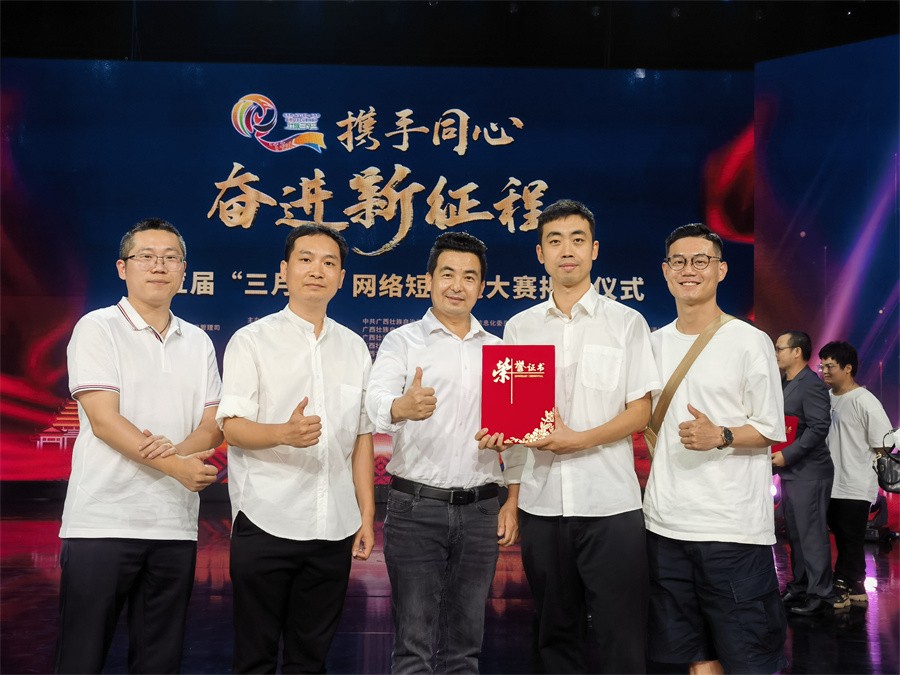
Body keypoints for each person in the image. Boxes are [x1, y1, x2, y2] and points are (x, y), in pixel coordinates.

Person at [483, 199, 660, 673]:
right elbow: (516, 424)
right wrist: (507, 473)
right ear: (540, 253)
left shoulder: (626, 323)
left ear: (594, 250)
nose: (567, 250)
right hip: (543, 505)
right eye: (555, 241)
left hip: (611, 504)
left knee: (622, 636)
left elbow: (640, 411)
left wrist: (576, 440)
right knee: (554, 636)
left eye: (578, 240)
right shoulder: (520, 328)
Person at [56, 218, 222, 673]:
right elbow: (105, 421)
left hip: (174, 526)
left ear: (184, 270)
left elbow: (212, 425)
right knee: (81, 658)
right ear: (122, 267)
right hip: (102, 523)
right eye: (146, 256)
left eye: (170, 258)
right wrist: (177, 466)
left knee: (159, 662)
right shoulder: (98, 327)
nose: (158, 266)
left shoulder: (199, 341)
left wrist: (179, 458)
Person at [217, 224, 375, 673]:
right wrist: (282, 433)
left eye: (329, 263)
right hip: (267, 519)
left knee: (311, 659)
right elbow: (232, 427)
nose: (316, 271)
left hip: (334, 527)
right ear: (284, 270)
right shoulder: (252, 341)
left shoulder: (355, 347)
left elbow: (361, 438)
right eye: (305, 260)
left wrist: (366, 516)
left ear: (341, 278)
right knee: (255, 658)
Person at [366, 231, 518, 674]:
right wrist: (401, 407)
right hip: (416, 507)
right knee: (413, 645)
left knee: (465, 648)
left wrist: (512, 493)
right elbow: (375, 401)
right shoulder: (402, 342)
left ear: (482, 287)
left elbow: (517, 435)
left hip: (481, 510)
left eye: (469, 277)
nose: (457, 285)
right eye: (447, 274)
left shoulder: (500, 351)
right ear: (429, 280)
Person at [643, 223, 787, 674]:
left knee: (748, 658)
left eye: (701, 261)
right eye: (679, 262)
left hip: (732, 531)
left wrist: (721, 435)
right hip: (665, 527)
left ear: (720, 270)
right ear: (665, 271)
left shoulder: (749, 341)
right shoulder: (651, 344)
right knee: (693, 658)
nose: (689, 270)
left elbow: (770, 427)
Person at [818, 340, 893, 608]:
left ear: (848, 368)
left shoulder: (865, 401)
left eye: (830, 366)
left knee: (850, 537)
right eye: (822, 366)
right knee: (842, 535)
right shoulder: (825, 398)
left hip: (855, 482)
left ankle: (842, 583)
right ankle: (857, 587)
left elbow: (884, 443)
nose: (825, 371)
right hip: (830, 480)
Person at [772, 330, 839, 616]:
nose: (775, 353)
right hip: (792, 472)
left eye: (779, 348)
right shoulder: (784, 382)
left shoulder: (811, 384)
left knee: (811, 534)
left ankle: (821, 593)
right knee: (796, 534)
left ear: (797, 351)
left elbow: (818, 427)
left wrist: (787, 455)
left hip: (809, 471)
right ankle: (800, 586)